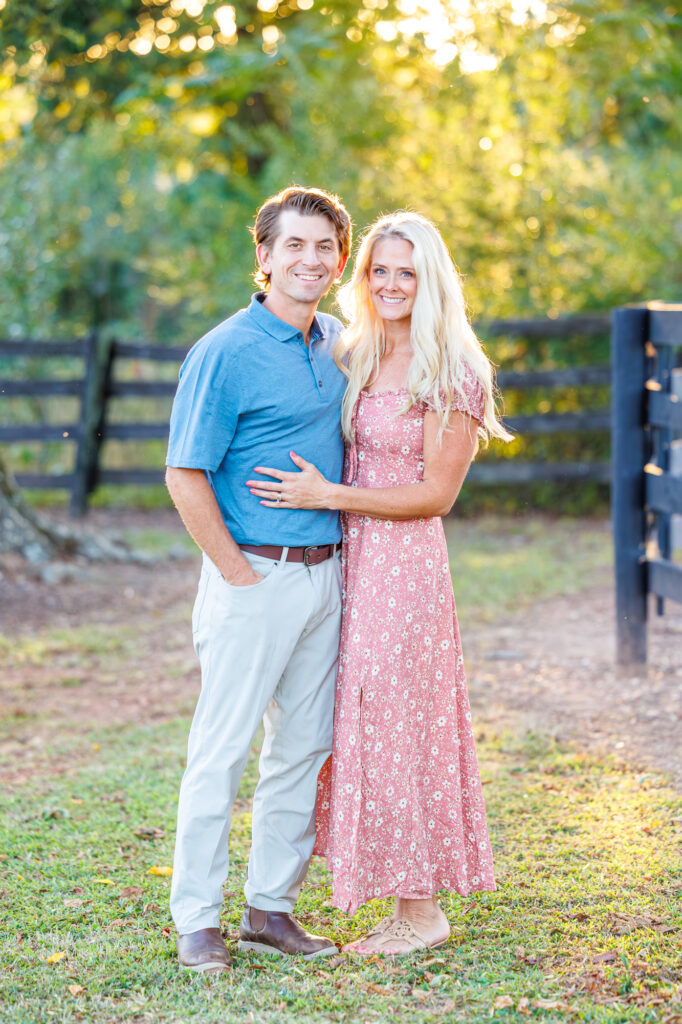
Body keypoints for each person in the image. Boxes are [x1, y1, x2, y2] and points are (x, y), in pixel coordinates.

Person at [247, 212, 512, 955]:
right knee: (358, 720)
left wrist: (328, 497)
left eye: (408, 271)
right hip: (349, 559)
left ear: (432, 280)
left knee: (398, 720)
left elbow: (435, 495)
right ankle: (398, 892)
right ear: (362, 278)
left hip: (405, 567)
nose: (392, 284)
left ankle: (421, 911)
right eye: (379, 270)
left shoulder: (452, 366)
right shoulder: (354, 350)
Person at [165, 186, 352, 972]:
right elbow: (184, 474)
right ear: (265, 256)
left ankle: (269, 909)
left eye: (324, 248)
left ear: (339, 261)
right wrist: (238, 575)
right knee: (222, 751)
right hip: (253, 579)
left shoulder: (340, 342)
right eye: (295, 246)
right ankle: (196, 922)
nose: (310, 260)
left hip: (325, 576)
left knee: (302, 752)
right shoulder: (224, 350)